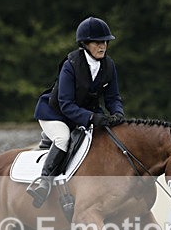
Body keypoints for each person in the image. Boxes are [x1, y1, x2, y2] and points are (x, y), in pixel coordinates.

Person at [27, 16, 125, 207]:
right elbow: (65, 104)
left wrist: (118, 114)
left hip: (83, 114)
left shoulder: (108, 65)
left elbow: (113, 97)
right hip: (55, 114)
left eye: (105, 42)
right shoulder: (71, 64)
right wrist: (92, 117)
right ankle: (44, 182)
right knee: (63, 138)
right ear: (85, 44)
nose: (103, 46)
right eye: (97, 42)